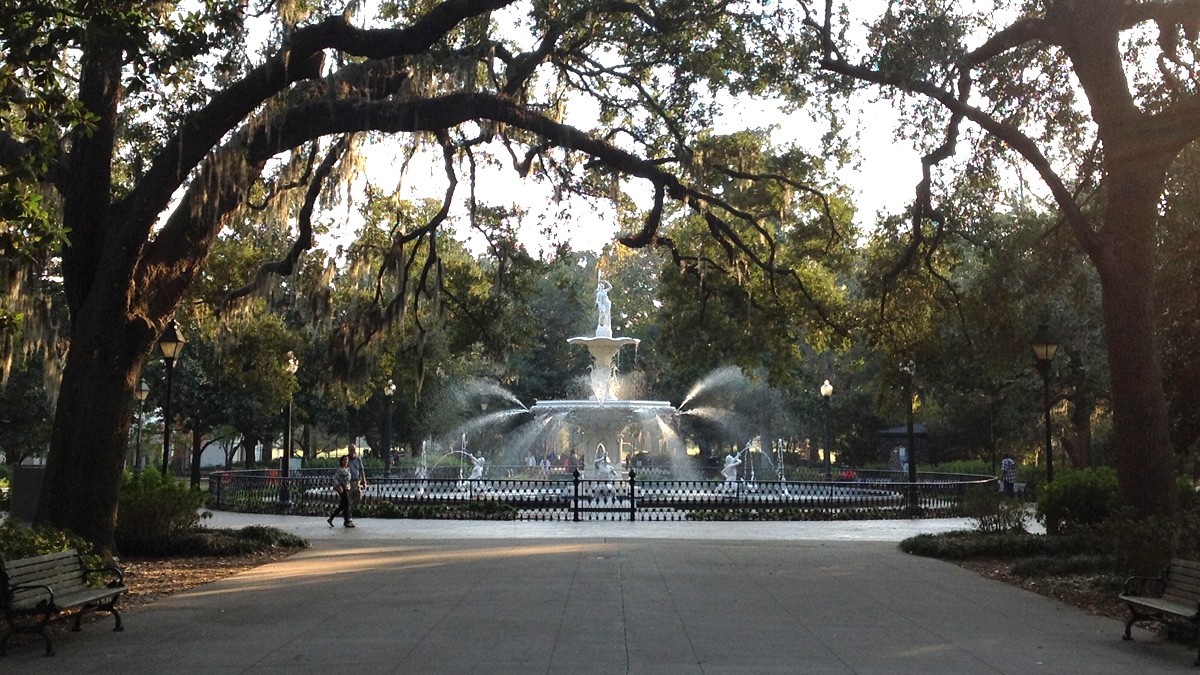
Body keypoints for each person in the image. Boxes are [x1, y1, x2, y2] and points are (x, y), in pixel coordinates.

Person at [327, 455, 355, 527]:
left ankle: (332, 518)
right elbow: (335, 479)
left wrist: (349, 485)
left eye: (347, 460)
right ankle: (346, 521)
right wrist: (339, 486)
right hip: (341, 488)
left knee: (344, 505)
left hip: (346, 488)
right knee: (346, 503)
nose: (346, 461)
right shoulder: (340, 470)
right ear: (342, 461)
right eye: (344, 460)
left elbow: (348, 479)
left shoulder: (348, 469)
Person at [347, 443, 367, 520]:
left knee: (358, 498)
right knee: (349, 499)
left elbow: (361, 470)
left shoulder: (358, 459)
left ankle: (350, 511)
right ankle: (348, 516)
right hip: (348, 482)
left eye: (354, 450)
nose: (352, 452)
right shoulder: (346, 459)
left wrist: (364, 481)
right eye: (351, 450)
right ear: (349, 451)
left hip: (356, 481)